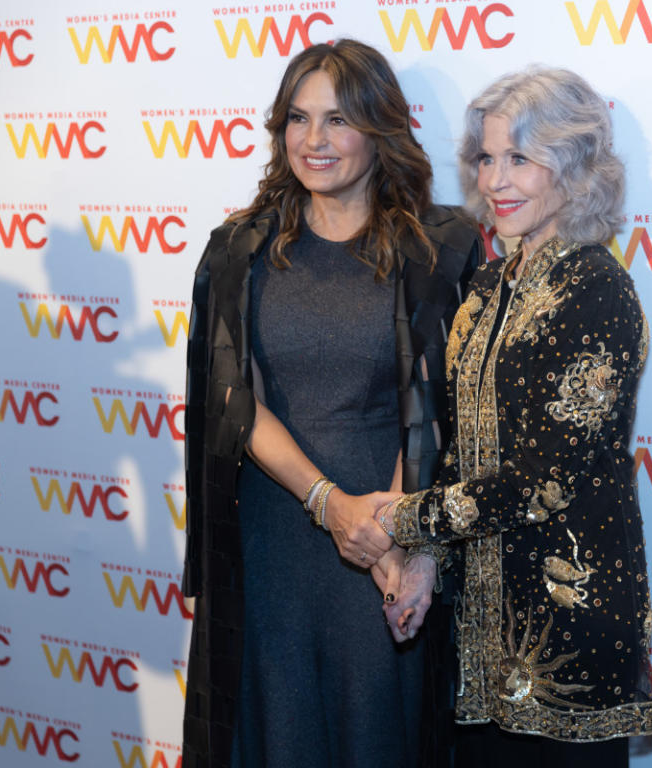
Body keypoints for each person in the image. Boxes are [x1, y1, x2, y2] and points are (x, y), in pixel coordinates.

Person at [180, 39, 481, 767]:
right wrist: (328, 503)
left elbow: (458, 403)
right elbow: (233, 397)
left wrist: (403, 535)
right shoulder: (237, 250)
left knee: (380, 733)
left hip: (394, 545)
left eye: (339, 120)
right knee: (274, 733)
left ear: (380, 130)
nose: (314, 141)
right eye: (298, 118)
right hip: (274, 539)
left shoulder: (443, 246)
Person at [377, 68, 652, 766]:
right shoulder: (489, 285)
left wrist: (399, 519)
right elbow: (463, 452)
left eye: (520, 159)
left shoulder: (596, 287)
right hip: (478, 636)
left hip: (566, 637)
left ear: (574, 170)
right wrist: (425, 562)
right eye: (487, 157)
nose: (497, 178)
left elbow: (541, 479)